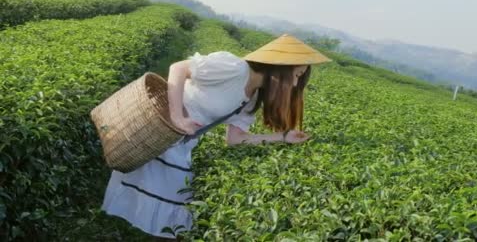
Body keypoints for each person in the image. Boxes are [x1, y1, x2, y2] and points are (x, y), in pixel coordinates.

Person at [101, 34, 331, 239]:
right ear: (280, 66)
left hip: (179, 145)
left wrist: (282, 137)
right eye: (296, 75)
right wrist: (177, 118)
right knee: (163, 205)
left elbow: (235, 139)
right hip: (157, 130)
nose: (294, 84)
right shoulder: (234, 68)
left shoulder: (252, 100)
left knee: (170, 213)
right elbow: (178, 69)